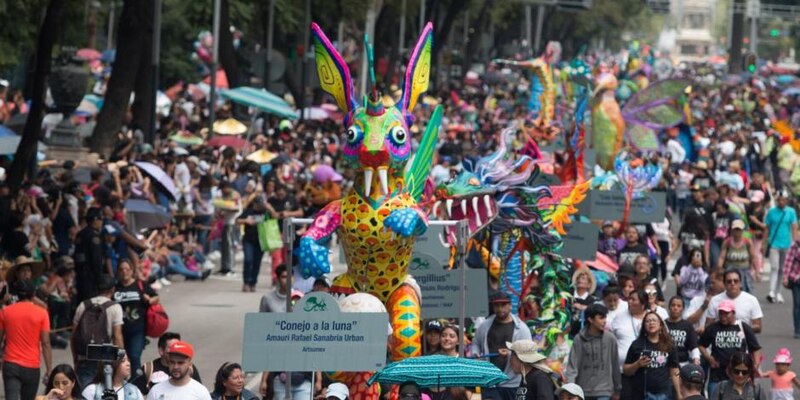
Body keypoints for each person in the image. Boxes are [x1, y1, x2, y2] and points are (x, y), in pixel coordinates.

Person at [470, 292, 533, 400]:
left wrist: (510, 354)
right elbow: (475, 343)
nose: (500, 309)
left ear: (510, 305)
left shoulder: (522, 329)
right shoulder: (485, 325)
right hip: (490, 383)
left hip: (513, 384)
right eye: (497, 305)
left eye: (503, 305)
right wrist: (475, 354)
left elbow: (529, 355)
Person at [0, 279, 52, 400]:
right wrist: (49, 369)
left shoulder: (5, 312)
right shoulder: (42, 313)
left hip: (10, 364)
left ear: (17, 294)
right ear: (33, 294)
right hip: (32, 366)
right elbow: (45, 342)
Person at [698, 300, 762, 396]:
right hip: (718, 373)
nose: (723, 316)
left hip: (738, 373)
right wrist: (708, 358)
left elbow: (755, 348)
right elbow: (701, 344)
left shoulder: (742, 327)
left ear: (733, 313)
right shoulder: (713, 328)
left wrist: (755, 366)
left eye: (726, 314)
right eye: (721, 313)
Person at [71, 274, 124, 387]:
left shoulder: (83, 305)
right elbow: (117, 336)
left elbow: (74, 335)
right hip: (105, 358)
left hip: (84, 357)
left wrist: (76, 359)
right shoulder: (115, 307)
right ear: (113, 289)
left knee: (86, 393)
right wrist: (121, 358)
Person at [564, 303, 621, 400]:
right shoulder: (579, 339)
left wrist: (617, 389)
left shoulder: (610, 338)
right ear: (590, 319)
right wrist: (571, 390)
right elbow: (572, 366)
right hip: (582, 391)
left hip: (604, 390)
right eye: (601, 318)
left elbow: (615, 364)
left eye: (605, 318)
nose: (604, 321)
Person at [114, 258, 159, 378]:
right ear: (118, 271)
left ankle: (137, 386)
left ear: (131, 270)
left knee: (134, 357)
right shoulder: (115, 287)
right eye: (121, 269)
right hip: (119, 331)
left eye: (127, 269)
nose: (124, 272)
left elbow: (156, 297)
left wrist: (149, 300)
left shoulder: (140, 284)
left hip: (137, 329)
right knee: (121, 359)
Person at [622, 311, 680, 400]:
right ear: (644, 326)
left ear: (660, 325)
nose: (651, 323)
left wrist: (679, 394)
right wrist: (637, 364)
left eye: (654, 320)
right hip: (641, 394)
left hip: (663, 394)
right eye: (648, 321)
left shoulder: (669, 345)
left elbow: (674, 371)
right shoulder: (636, 344)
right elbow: (625, 370)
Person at [138, 332, 203, 394]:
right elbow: (135, 393)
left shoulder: (189, 368)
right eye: (171, 347)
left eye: (178, 346)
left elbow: (199, 391)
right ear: (161, 351)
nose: (176, 367)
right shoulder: (148, 369)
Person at [146, 340, 211, 399]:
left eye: (180, 363)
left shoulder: (201, 392)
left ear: (190, 364)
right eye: (172, 362)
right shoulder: (156, 391)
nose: (175, 367)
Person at [765, 189, 797, 304]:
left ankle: (778, 292)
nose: (781, 202)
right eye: (780, 200)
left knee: (782, 269)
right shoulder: (771, 212)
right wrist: (765, 243)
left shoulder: (791, 212)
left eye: (784, 200)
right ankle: (771, 291)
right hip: (774, 243)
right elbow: (767, 228)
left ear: (787, 200)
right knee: (774, 267)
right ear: (777, 200)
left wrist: (795, 243)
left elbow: (794, 227)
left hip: (787, 244)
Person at [237, 195, 272, 292]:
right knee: (248, 260)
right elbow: (237, 220)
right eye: (258, 204)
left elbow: (275, 219)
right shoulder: (248, 211)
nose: (260, 206)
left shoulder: (265, 213)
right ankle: (246, 282)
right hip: (248, 240)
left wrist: (269, 208)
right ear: (254, 204)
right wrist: (246, 221)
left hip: (261, 241)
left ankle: (253, 282)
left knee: (257, 262)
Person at [73, 207, 107, 302]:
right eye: (101, 219)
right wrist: (99, 277)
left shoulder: (80, 234)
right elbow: (97, 260)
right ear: (95, 219)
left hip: (80, 275)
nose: (102, 222)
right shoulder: (94, 236)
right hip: (91, 276)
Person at [611, 290, 648, 367]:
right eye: (629, 299)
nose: (629, 302)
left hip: (647, 368)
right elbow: (611, 338)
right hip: (621, 367)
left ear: (643, 303)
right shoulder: (619, 317)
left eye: (633, 299)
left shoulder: (652, 318)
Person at [717, 219, 756, 292]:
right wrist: (719, 269)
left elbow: (753, 257)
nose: (737, 232)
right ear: (732, 230)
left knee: (746, 292)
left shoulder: (747, 242)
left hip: (744, 272)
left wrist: (756, 271)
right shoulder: (727, 242)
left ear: (742, 230)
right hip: (730, 271)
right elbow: (722, 257)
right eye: (735, 229)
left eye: (739, 230)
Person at [684, 271, 724, 335]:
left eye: (714, 282)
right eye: (711, 283)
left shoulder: (725, 301)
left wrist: (706, 328)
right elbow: (688, 322)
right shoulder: (696, 300)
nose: (711, 285)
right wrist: (704, 306)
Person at [664, 296, 700, 366]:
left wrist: (696, 358)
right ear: (669, 307)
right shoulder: (662, 324)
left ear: (683, 309)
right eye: (673, 305)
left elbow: (694, 346)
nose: (675, 308)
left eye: (679, 306)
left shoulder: (687, 325)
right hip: (666, 363)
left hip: (683, 363)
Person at [781, 236, 800, 338]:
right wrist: (785, 277)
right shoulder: (795, 245)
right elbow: (788, 261)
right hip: (796, 278)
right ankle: (797, 329)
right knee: (797, 304)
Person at [570, 268, 597, 336]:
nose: (580, 280)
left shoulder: (592, 300)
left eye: (584, 278)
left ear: (589, 285)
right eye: (579, 278)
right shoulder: (569, 295)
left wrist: (583, 307)